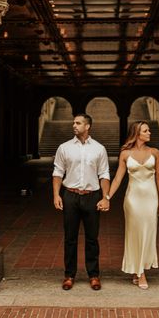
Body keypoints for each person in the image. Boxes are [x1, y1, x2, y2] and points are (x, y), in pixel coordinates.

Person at [52, 113, 110, 291]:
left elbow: (104, 174)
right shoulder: (64, 148)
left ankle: (94, 275)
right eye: (73, 123)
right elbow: (58, 172)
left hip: (92, 197)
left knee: (92, 239)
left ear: (88, 126)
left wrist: (105, 197)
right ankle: (69, 275)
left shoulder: (99, 149)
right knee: (70, 238)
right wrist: (56, 195)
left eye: (78, 123)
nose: (74, 125)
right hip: (70, 196)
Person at [106, 120, 159, 289]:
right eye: (146, 131)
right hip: (133, 199)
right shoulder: (125, 153)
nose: (149, 133)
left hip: (151, 198)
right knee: (134, 233)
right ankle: (140, 273)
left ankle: (137, 269)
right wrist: (107, 196)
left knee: (148, 233)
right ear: (137, 133)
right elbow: (118, 178)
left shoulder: (155, 152)